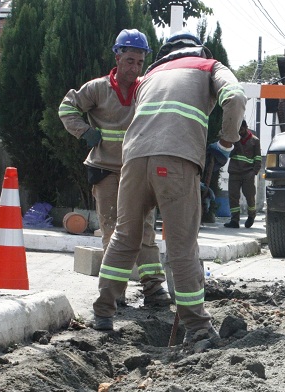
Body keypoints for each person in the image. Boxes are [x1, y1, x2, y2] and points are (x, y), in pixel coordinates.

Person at [92, 30, 246, 342]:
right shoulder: (209, 67)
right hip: (176, 161)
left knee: (124, 236)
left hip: (133, 160)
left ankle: (103, 312)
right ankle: (197, 327)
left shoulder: (149, 76)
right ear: (199, 51)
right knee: (182, 245)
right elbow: (236, 98)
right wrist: (225, 144)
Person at [59, 29, 170, 308]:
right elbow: (67, 108)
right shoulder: (97, 89)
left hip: (138, 171)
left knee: (145, 231)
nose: (135, 68)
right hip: (106, 170)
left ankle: (154, 287)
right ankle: (114, 292)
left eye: (140, 62)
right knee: (112, 232)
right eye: (130, 61)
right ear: (117, 58)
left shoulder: (146, 89)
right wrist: (84, 131)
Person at [224, 120, 261, 229]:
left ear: (246, 128)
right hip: (234, 172)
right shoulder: (234, 139)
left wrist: (254, 172)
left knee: (250, 196)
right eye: (238, 130)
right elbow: (229, 153)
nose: (239, 132)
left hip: (248, 173)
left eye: (241, 129)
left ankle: (251, 216)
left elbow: (258, 158)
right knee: (233, 197)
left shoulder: (255, 141)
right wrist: (234, 143)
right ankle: (234, 220)